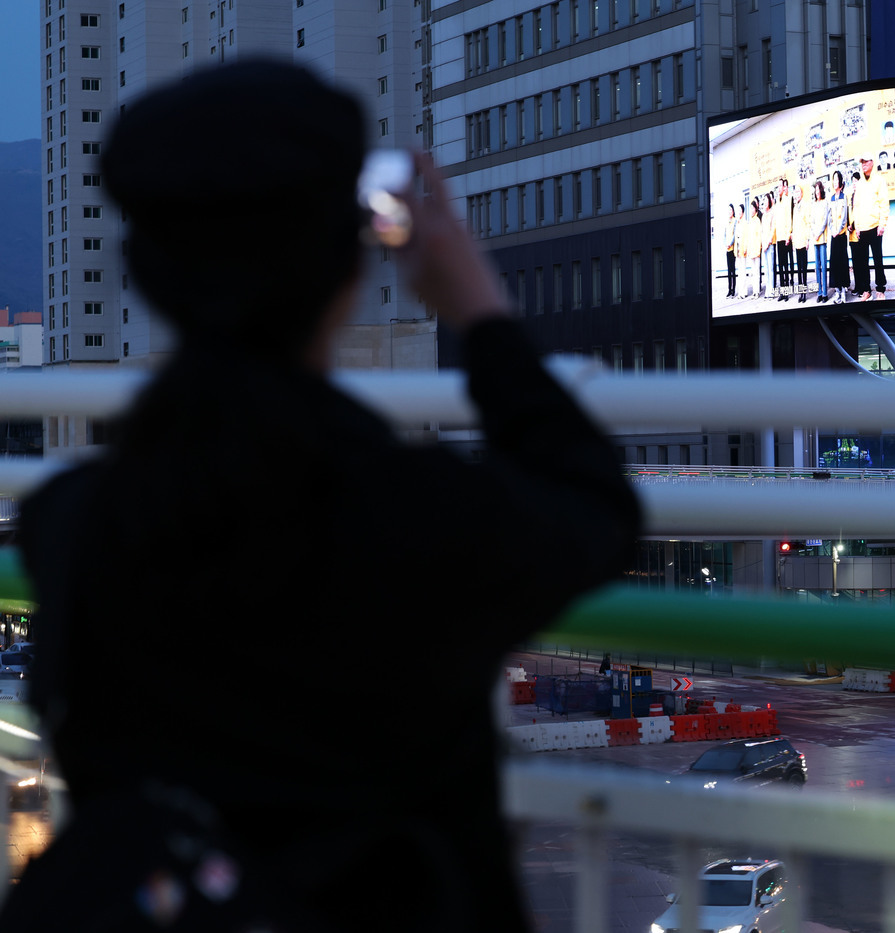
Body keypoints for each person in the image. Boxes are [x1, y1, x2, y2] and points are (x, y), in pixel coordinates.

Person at [1, 61, 641, 933]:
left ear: (146, 278)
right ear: (346, 266)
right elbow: (596, 503)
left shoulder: (68, 524)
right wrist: (478, 308)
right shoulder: (418, 517)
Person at [848, 152, 890, 300]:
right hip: (862, 229)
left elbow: (884, 203)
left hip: (875, 227)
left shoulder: (879, 180)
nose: (863, 164)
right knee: (863, 262)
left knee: (878, 259)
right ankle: (866, 290)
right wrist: (857, 226)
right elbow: (856, 206)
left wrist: (882, 224)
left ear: (872, 162)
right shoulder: (859, 184)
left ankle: (880, 289)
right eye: (862, 162)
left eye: (866, 161)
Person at [828, 170, 852, 303]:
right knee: (834, 263)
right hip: (833, 235)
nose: (835, 182)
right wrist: (832, 229)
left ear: (841, 182)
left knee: (842, 262)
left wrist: (838, 230)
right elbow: (830, 217)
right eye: (833, 179)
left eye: (837, 179)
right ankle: (837, 291)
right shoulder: (831, 198)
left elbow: (844, 216)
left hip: (841, 235)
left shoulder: (844, 197)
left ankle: (843, 291)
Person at [791, 183, 812, 303]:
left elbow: (808, 223)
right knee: (799, 269)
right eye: (795, 192)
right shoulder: (795, 207)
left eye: (798, 192)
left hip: (804, 240)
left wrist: (807, 239)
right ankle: (801, 292)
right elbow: (794, 226)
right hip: (797, 241)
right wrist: (793, 242)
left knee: (804, 268)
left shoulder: (805, 205)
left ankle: (804, 293)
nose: (797, 194)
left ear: (802, 193)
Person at [810, 179, 830, 303]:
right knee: (817, 267)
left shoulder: (825, 203)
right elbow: (811, 221)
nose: (817, 192)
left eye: (818, 190)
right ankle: (819, 292)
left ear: (821, 190)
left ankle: (825, 293)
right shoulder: (814, 204)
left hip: (822, 239)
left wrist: (818, 233)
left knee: (823, 266)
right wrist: (814, 232)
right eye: (815, 190)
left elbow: (825, 221)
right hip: (815, 240)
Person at [773, 178, 793, 300]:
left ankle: (786, 292)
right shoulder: (777, 202)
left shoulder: (787, 200)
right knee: (781, 266)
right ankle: (782, 291)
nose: (779, 188)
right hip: (778, 239)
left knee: (786, 266)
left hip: (785, 238)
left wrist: (788, 235)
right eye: (778, 186)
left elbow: (789, 219)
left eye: (781, 186)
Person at [722, 203, 737, 298]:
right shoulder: (727, 222)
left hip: (732, 249)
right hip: (727, 249)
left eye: (731, 210)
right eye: (728, 210)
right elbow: (724, 235)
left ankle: (733, 290)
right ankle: (729, 289)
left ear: (733, 211)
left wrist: (730, 244)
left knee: (732, 271)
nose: (729, 212)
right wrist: (725, 244)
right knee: (728, 271)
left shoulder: (735, 221)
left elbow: (735, 234)